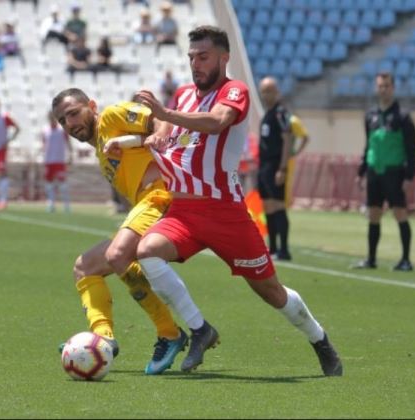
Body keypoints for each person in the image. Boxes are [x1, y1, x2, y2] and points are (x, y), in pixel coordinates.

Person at [133, 25, 342, 376]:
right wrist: (157, 132)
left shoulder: (235, 91)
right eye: (191, 58)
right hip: (183, 211)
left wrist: (166, 117)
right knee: (146, 252)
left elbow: (217, 123)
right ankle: (200, 330)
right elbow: (164, 131)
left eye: (203, 57)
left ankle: (319, 339)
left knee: (272, 293)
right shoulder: (183, 95)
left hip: (225, 213)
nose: (195, 64)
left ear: (223, 58)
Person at [51, 88, 188, 375]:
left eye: (74, 113)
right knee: (85, 266)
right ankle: (103, 340)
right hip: (146, 206)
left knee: (117, 255)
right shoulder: (102, 148)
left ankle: (170, 333)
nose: (70, 123)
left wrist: (156, 136)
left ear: (92, 105)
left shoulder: (111, 118)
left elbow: (162, 122)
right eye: (63, 120)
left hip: (162, 197)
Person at [354, 72, 415, 271]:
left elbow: (411, 149)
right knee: (373, 214)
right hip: (374, 171)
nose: (383, 89)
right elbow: (368, 145)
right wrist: (362, 169)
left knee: (400, 213)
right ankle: (371, 259)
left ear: (393, 88)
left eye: (387, 86)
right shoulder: (370, 115)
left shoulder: (403, 116)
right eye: (380, 86)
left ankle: (406, 260)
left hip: (394, 171)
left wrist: (409, 175)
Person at [257, 77, 294, 260]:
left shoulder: (280, 113)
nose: (266, 95)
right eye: (263, 91)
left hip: (275, 165)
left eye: (269, 91)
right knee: (268, 206)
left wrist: (283, 168)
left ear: (277, 92)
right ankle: (272, 248)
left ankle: (284, 249)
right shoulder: (267, 113)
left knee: (278, 205)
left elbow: (288, 139)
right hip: (263, 166)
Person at [41, 111, 72, 213]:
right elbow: (44, 145)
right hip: (49, 161)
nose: (51, 119)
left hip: (60, 160)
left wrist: (70, 156)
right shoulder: (45, 130)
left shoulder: (61, 129)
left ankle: (66, 206)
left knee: (62, 184)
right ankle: (51, 204)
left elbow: (68, 143)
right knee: (49, 184)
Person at [285, 114, 310, 208]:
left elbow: (305, 137)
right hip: (274, 159)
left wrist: (296, 153)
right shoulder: (274, 117)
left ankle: (285, 208)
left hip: (288, 159)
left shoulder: (293, 121)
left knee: (286, 185)